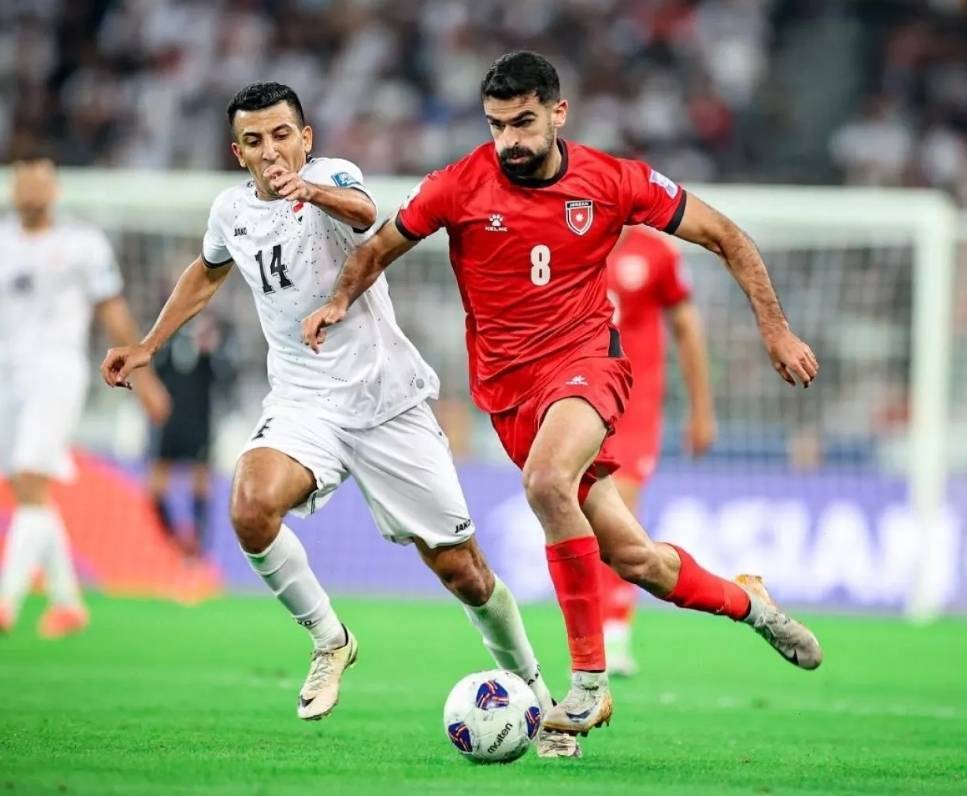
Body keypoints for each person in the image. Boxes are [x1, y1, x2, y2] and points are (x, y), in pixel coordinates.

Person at [302, 51, 823, 738]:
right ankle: (751, 604)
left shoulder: (613, 180)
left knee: (547, 483)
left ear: (558, 113)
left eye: (523, 123)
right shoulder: (457, 185)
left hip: (587, 364)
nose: (508, 141)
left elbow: (725, 236)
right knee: (636, 561)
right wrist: (339, 300)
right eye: (496, 126)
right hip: (507, 396)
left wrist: (775, 330)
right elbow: (377, 249)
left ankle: (587, 685)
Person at [100, 82, 578, 758]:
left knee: (464, 572)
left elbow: (365, 213)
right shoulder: (230, 211)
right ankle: (330, 639)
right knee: (250, 506)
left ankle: (540, 697)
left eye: (282, 135)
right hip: (303, 401)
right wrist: (149, 343)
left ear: (306, 138)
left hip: (387, 404)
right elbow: (206, 273)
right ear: (238, 152)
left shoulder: (333, 178)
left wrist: (310, 191)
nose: (271, 150)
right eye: (255, 141)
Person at [0, 156, 171, 637]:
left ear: (55, 188)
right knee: (26, 489)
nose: (31, 189)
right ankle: (67, 602)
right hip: (6, 375)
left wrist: (146, 382)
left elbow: (113, 311)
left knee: (31, 477)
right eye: (23, 180)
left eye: (40, 180)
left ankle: (6, 600)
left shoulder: (81, 243)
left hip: (56, 370)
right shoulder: (3, 240)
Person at [601, 226, 716, 676]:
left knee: (618, 508)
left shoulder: (656, 254)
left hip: (635, 406)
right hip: (580, 395)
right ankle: (595, 630)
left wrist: (701, 409)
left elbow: (686, 327)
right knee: (582, 513)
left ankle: (613, 632)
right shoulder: (570, 236)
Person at [148, 313, 235, 558]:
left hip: (198, 427)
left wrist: (212, 351)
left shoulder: (210, 357)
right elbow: (152, 380)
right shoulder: (164, 351)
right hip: (169, 427)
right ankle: (171, 538)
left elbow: (226, 381)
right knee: (156, 485)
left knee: (201, 483)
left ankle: (198, 542)